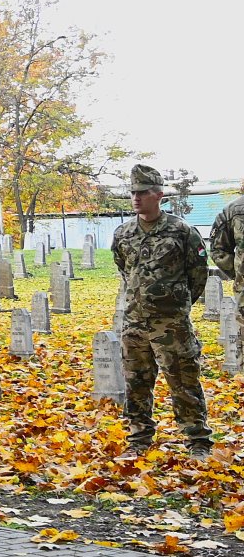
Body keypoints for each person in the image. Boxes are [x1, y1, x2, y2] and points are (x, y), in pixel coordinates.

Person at [111, 163, 213, 457]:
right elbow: (124, 270)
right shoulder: (124, 233)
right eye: (132, 192)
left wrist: (176, 305)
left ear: (159, 194)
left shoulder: (181, 231)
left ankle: (197, 441)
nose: (136, 198)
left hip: (171, 325)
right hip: (134, 322)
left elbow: (198, 274)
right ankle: (138, 439)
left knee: (183, 381)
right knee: (136, 384)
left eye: (142, 192)